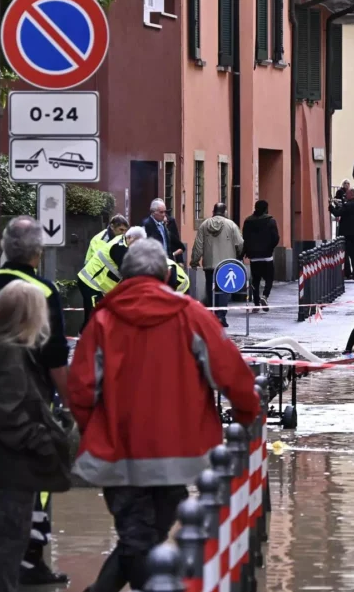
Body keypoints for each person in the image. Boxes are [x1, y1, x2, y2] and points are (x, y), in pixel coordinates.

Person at [69, 240, 259, 592]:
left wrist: (94, 431)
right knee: (144, 538)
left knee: (137, 538)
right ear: (166, 273)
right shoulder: (191, 315)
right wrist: (248, 414)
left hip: (118, 452)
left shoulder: (102, 320)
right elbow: (230, 372)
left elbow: (80, 391)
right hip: (178, 452)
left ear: (123, 275)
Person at [0, 216, 70, 586]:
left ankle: (12, 567)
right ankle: (30, 558)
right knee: (20, 510)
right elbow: (56, 358)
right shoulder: (38, 291)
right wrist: (63, 420)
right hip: (28, 414)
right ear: (38, 252)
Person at [191, 202, 244, 326]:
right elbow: (240, 243)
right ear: (225, 212)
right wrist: (238, 256)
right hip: (226, 265)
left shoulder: (204, 225)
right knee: (223, 291)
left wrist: (194, 261)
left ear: (213, 212)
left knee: (211, 290)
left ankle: (213, 315)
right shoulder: (231, 225)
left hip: (210, 265)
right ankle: (221, 316)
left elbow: (198, 245)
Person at [242, 199, 280, 310]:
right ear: (266, 209)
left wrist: (247, 251)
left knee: (256, 280)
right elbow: (275, 238)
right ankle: (265, 296)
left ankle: (256, 302)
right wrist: (270, 248)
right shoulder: (271, 221)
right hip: (267, 256)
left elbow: (245, 238)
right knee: (269, 278)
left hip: (254, 257)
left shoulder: (248, 221)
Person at [329, 182, 354, 280]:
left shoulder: (348, 205)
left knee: (346, 254)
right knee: (353, 255)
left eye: (347, 194)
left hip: (346, 233)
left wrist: (330, 206)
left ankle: (347, 273)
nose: (345, 195)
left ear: (352, 195)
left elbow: (337, 213)